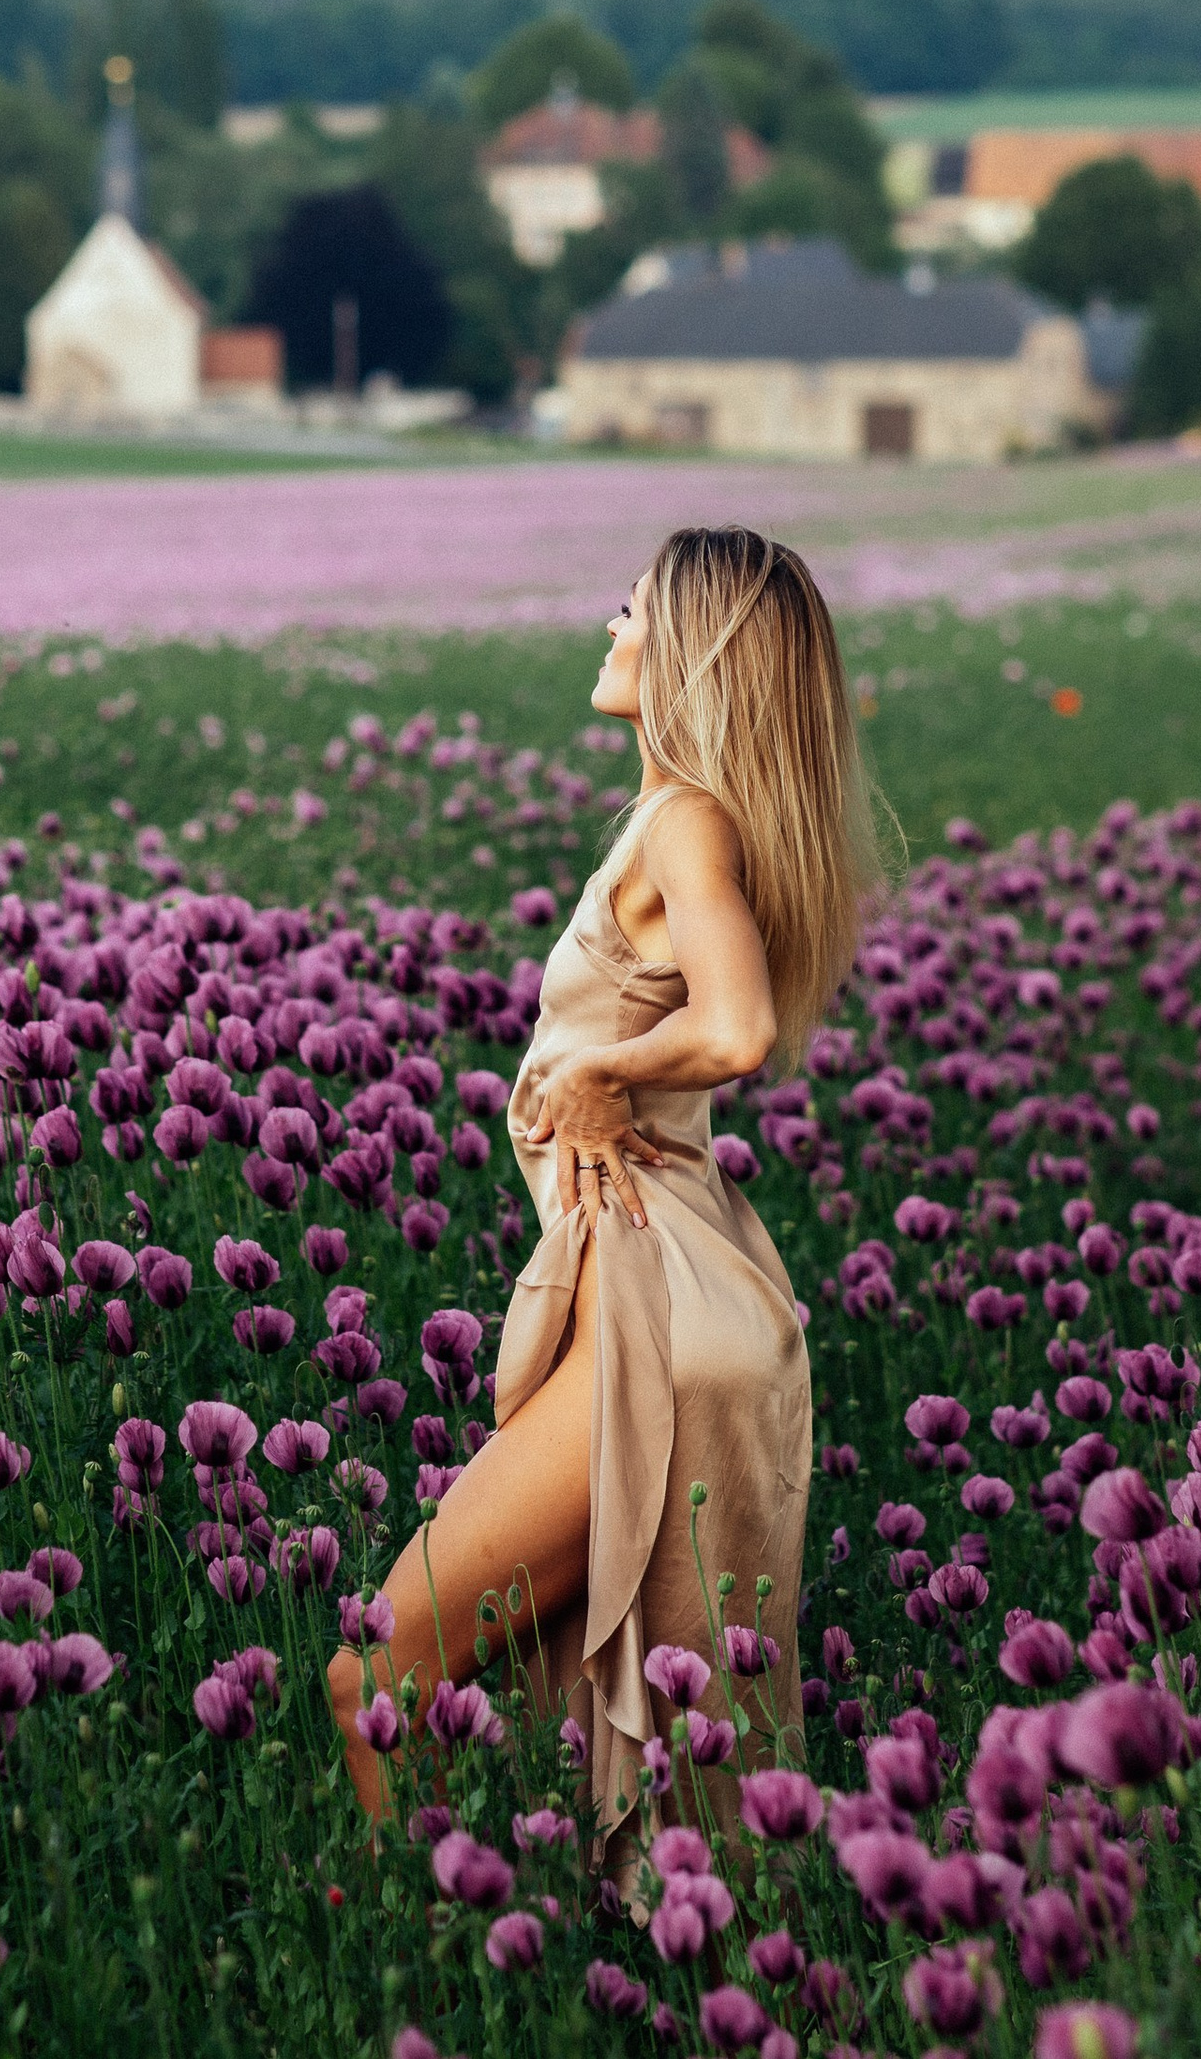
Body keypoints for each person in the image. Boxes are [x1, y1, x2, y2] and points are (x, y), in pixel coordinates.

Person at [326, 525, 889, 1876]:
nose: (609, 627)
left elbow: (738, 1026)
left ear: (688, 650)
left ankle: (420, 1959)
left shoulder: (684, 819)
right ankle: (589, 1951)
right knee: (508, 1677)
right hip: (665, 1287)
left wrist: (603, 1073)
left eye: (630, 611)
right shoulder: (685, 819)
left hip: (659, 1299)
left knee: (378, 1674)